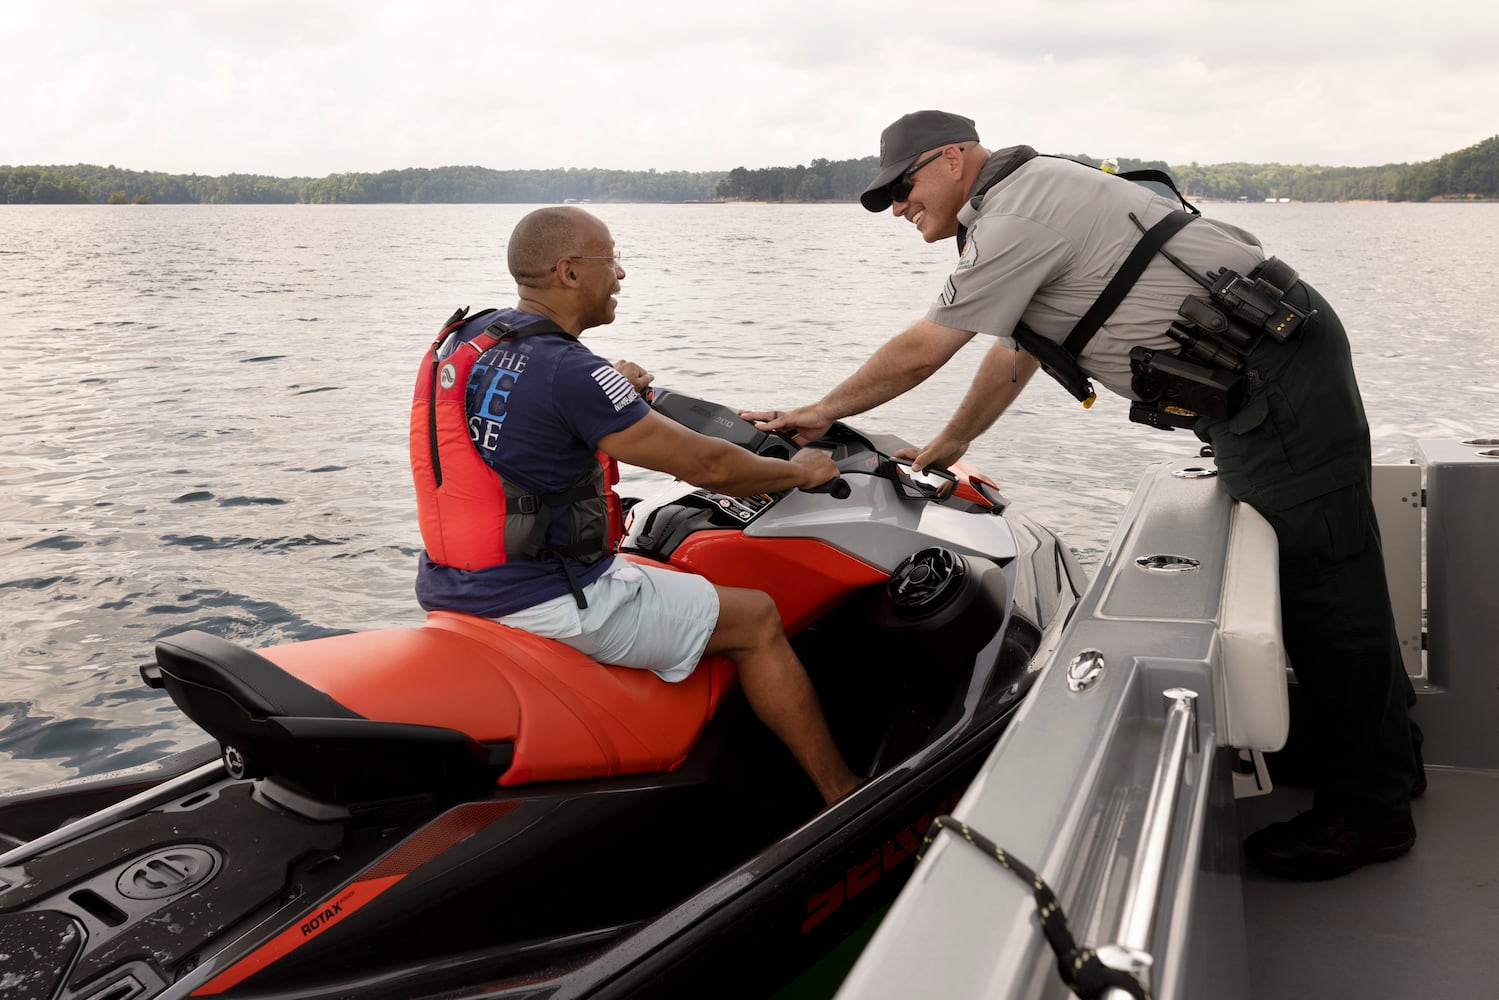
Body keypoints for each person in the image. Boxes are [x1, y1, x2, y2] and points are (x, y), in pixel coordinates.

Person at [746, 110, 1421, 878]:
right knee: (1328, 572)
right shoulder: (1026, 196)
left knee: (1323, 586)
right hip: (1267, 375)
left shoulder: (1016, 213)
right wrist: (955, 441)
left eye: (901, 186)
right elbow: (1019, 352)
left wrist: (822, 411)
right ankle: (1380, 752)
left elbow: (923, 346)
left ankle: (1371, 810)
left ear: (953, 159)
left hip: (1273, 383)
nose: (897, 206)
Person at [409, 206, 859, 806]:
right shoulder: (571, 374)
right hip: (547, 598)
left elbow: (532, 412)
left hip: (456, 584)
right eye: (611, 259)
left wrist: (609, 384)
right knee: (756, 618)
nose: (620, 274)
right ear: (570, 273)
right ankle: (844, 792)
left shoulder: (476, 337)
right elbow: (712, 467)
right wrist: (797, 472)